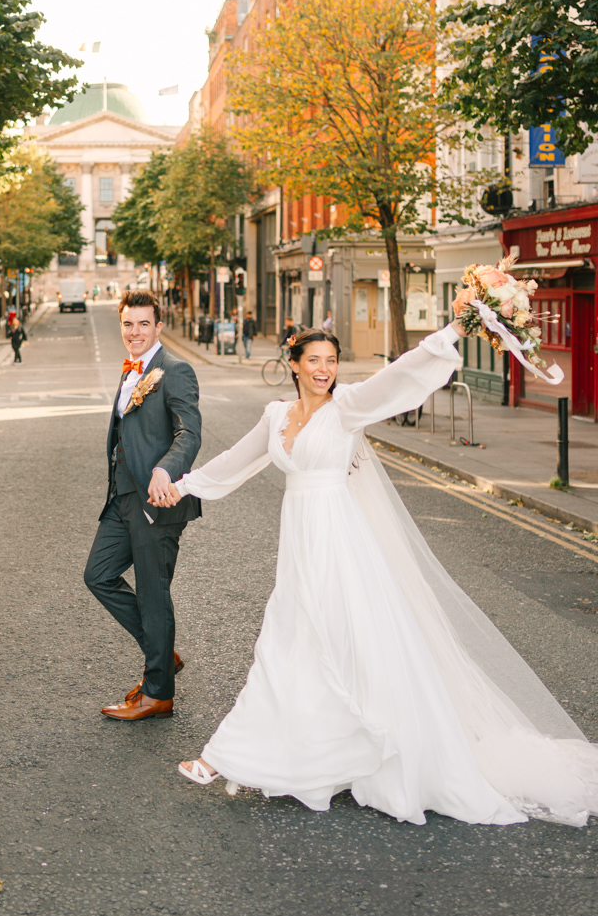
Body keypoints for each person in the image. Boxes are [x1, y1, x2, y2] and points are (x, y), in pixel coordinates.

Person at [165, 325, 598, 827]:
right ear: (294, 363)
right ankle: (300, 754)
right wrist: (183, 486)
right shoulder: (275, 415)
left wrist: (457, 328)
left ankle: (225, 757)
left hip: (340, 542)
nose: (324, 369)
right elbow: (235, 461)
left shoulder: (348, 406)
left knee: (327, 643)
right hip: (300, 543)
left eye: (331, 359)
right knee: (292, 642)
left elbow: (399, 376)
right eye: (314, 360)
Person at [83, 290, 202, 721]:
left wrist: (166, 470)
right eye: (128, 324)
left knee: (154, 596)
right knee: (97, 575)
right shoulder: (131, 369)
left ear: (159, 326)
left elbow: (188, 433)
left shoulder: (175, 370)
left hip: (157, 498)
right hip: (122, 496)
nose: (135, 332)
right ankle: (162, 653)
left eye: (143, 324)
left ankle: (158, 695)